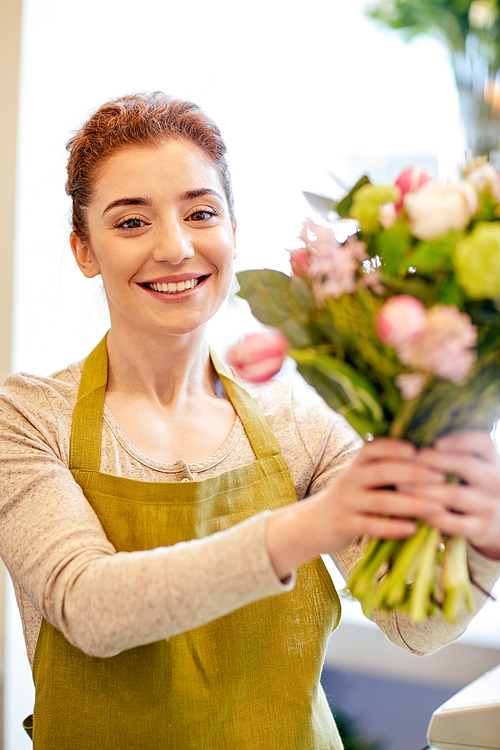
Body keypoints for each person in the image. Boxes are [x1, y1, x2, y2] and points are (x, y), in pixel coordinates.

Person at [0, 92, 499, 750]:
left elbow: (412, 624)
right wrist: (308, 526)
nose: (176, 247)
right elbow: (90, 608)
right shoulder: (31, 418)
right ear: (84, 249)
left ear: (233, 229)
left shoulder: (304, 421)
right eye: (130, 223)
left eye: (201, 212)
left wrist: (482, 549)